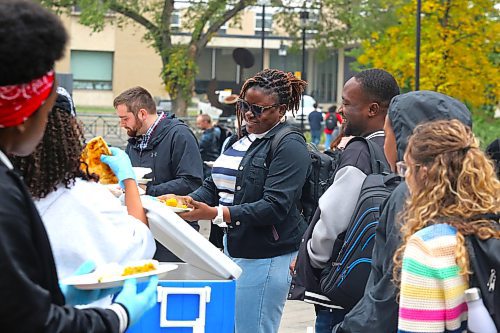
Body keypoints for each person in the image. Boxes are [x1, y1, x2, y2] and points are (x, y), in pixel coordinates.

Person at [0, 1, 157, 331]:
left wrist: (56, 297)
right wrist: (118, 316)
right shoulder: (6, 196)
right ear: (22, 114)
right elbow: (33, 323)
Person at [164, 69, 310, 333]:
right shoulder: (238, 138)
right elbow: (213, 186)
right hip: (235, 251)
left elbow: (275, 206)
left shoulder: (289, 144)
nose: (249, 114)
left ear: (282, 109)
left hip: (267, 256)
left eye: (259, 109)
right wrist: (182, 201)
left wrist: (215, 214)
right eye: (244, 106)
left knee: (252, 328)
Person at [333, 90, 473, 333]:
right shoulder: (477, 189)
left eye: (387, 133)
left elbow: (389, 290)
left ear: (406, 140)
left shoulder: (408, 196)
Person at [11, 87, 156, 302]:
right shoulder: (90, 199)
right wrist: (129, 180)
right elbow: (140, 246)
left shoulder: (10, 197)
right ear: (70, 134)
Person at [296, 69, 399, 333]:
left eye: (347, 103)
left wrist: (313, 261)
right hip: (377, 285)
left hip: (340, 290)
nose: (341, 110)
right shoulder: (401, 149)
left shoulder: (360, 152)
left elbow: (332, 219)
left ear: (372, 109)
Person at [393, 119, 500, 332]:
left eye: (405, 168)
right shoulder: (493, 228)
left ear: (423, 172)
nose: (404, 175)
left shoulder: (428, 247)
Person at [114, 86, 203, 261]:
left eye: (125, 118)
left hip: (175, 232)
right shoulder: (135, 139)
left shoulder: (179, 135)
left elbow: (192, 182)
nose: (122, 124)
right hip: (142, 230)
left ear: (142, 114)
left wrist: (148, 190)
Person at [196, 113, 221, 179]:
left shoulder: (207, 136)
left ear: (205, 122)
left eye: (199, 123)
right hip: (215, 163)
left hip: (208, 165)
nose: (198, 125)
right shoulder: (217, 131)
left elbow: (198, 148)